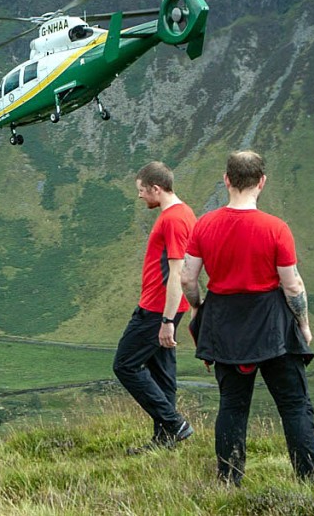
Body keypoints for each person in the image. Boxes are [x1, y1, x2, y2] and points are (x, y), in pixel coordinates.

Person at [181, 151, 314, 486]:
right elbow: (292, 285)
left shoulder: (204, 225)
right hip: (273, 326)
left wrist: (197, 306)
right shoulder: (276, 228)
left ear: (227, 180)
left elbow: (188, 278)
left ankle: (229, 481)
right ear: (262, 182)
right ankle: (312, 481)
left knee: (232, 406)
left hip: (224, 325)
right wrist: (303, 325)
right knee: (294, 406)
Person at [113, 161, 196, 453]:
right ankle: (164, 442)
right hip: (162, 306)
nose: (139, 196)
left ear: (156, 189)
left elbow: (177, 272)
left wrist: (166, 320)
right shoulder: (182, 213)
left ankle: (174, 424)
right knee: (162, 374)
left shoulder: (173, 220)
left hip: (157, 309)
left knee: (125, 364)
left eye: (141, 191)